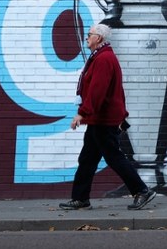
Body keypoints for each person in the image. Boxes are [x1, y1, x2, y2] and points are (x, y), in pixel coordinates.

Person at [59, 23, 157, 211]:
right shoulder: (100, 57)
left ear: (99, 38)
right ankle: (80, 199)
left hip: (103, 120)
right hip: (99, 120)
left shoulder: (104, 59)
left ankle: (142, 191)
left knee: (114, 157)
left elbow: (98, 91)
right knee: (87, 159)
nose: (87, 37)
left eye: (90, 34)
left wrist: (82, 113)